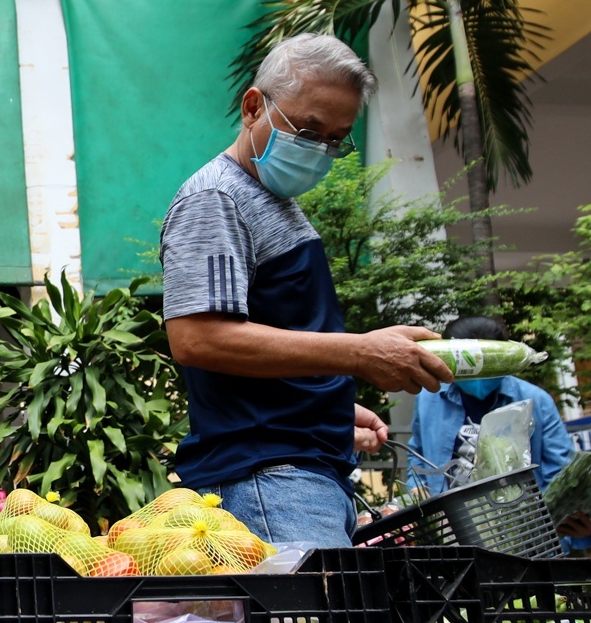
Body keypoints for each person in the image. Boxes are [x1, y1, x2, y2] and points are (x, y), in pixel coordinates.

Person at [160, 33, 454, 551]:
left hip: (302, 477)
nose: (320, 150)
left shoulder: (274, 200)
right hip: (271, 482)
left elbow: (277, 338)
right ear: (254, 106)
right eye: (309, 129)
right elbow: (199, 339)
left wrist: (329, 407)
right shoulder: (216, 198)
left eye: (336, 139)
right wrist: (360, 352)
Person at [411, 314, 591, 544]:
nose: (478, 375)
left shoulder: (536, 401)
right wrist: (416, 493)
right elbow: (418, 455)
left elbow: (562, 474)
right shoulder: (429, 400)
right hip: (454, 538)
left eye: (487, 364)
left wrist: (575, 521)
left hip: (525, 539)